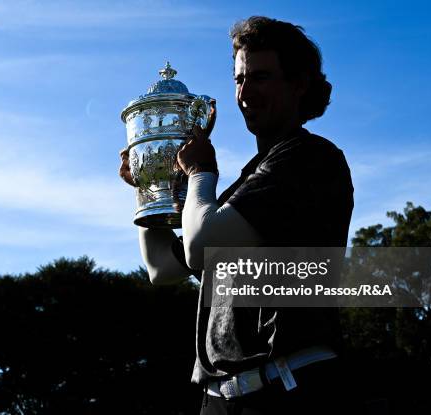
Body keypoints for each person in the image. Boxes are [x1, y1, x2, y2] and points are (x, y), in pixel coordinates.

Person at [119, 16, 354, 415]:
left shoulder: (309, 158)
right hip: (222, 399)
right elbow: (161, 268)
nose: (245, 93)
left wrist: (200, 173)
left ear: (299, 84)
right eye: (239, 79)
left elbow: (197, 247)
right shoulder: (245, 185)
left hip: (289, 391)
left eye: (260, 77)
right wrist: (151, 188)